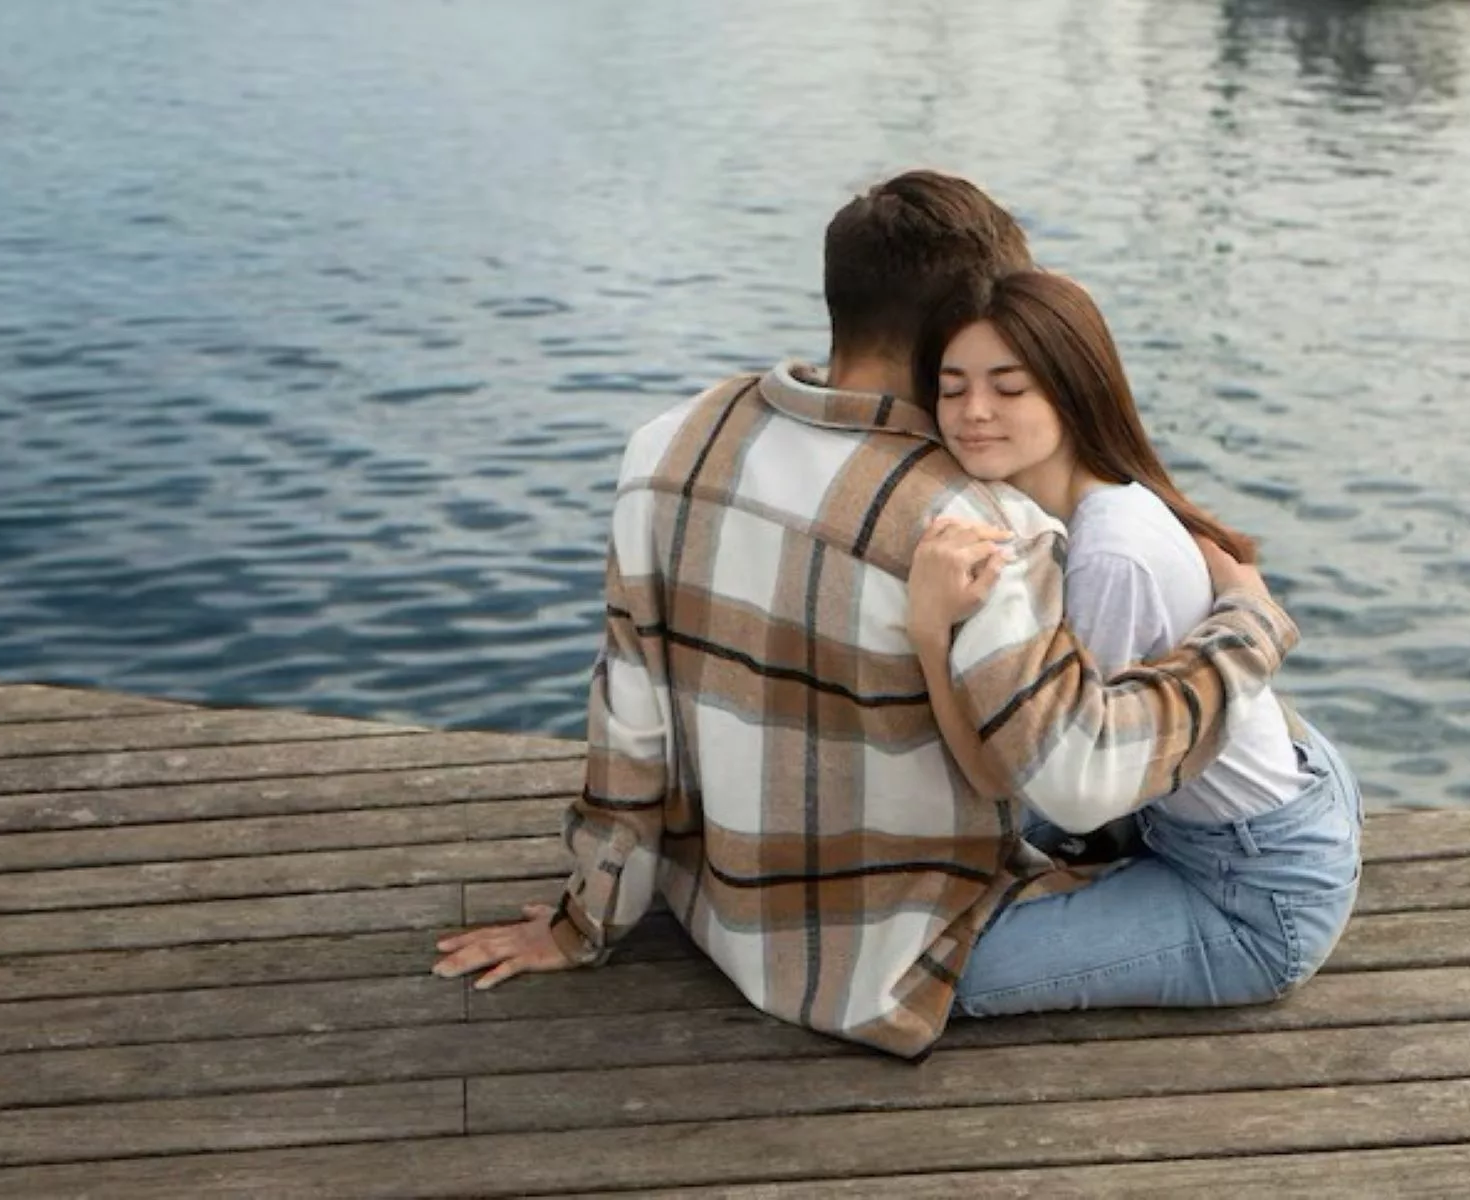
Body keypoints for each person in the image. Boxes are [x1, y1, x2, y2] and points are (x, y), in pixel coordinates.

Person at [432, 170, 1301, 1059]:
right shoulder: (978, 526)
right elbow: (1078, 779)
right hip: (888, 950)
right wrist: (1251, 626)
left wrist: (585, 920)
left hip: (721, 914)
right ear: (956, 329)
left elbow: (629, 720)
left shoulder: (669, 446)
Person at [907, 268, 1363, 1017]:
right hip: (1265, 802)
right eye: (951, 389)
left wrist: (928, 630)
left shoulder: (1108, 553)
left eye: (1008, 388)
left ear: (1071, 392)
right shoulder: (1094, 503)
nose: (973, 412)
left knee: (924, 978)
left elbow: (1051, 790)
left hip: (1254, 899)